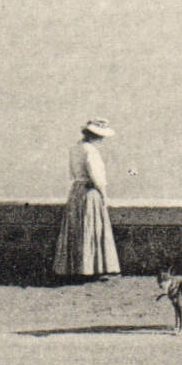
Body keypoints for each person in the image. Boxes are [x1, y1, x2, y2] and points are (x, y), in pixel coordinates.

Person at [53, 119, 121, 279]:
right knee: (92, 228)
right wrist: (104, 195)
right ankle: (91, 269)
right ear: (95, 136)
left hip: (76, 191)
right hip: (90, 192)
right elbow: (97, 177)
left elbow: (72, 173)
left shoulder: (75, 149)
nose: (102, 140)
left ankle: (76, 268)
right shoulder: (91, 151)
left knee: (77, 228)